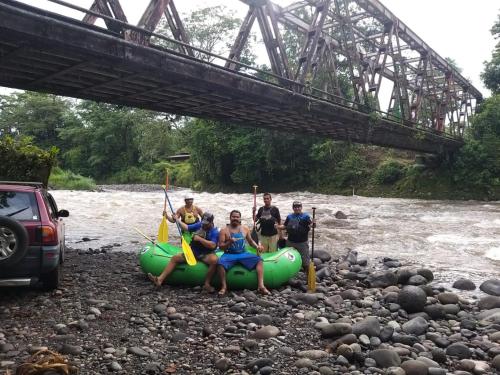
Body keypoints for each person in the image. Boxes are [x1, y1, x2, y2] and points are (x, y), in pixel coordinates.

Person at [148, 212, 219, 292]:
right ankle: (160, 280)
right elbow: (186, 227)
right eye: (203, 223)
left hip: (206, 254)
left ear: (211, 222)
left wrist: (199, 239)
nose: (204, 225)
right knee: (175, 258)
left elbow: (212, 245)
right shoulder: (200, 225)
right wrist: (177, 220)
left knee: (215, 261)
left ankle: (207, 284)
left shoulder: (215, 232)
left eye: (206, 224)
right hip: (193, 252)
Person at [217, 210, 270, 296]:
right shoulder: (224, 230)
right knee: (220, 264)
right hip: (229, 254)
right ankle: (224, 287)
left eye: (237, 217)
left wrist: (257, 246)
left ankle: (261, 285)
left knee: (259, 260)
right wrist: (229, 242)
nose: (235, 218)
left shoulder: (245, 229)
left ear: (240, 218)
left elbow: (250, 241)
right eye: (233, 217)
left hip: (243, 254)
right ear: (230, 218)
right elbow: (221, 246)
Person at [277, 201, 314, 273]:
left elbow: (312, 225)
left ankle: (308, 277)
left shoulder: (306, 216)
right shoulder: (289, 217)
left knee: (305, 262)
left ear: (301, 207)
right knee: (288, 259)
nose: (297, 208)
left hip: (302, 243)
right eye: (295, 207)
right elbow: (285, 226)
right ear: (293, 208)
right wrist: (278, 226)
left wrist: (314, 224)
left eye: (298, 207)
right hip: (290, 242)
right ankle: (289, 274)